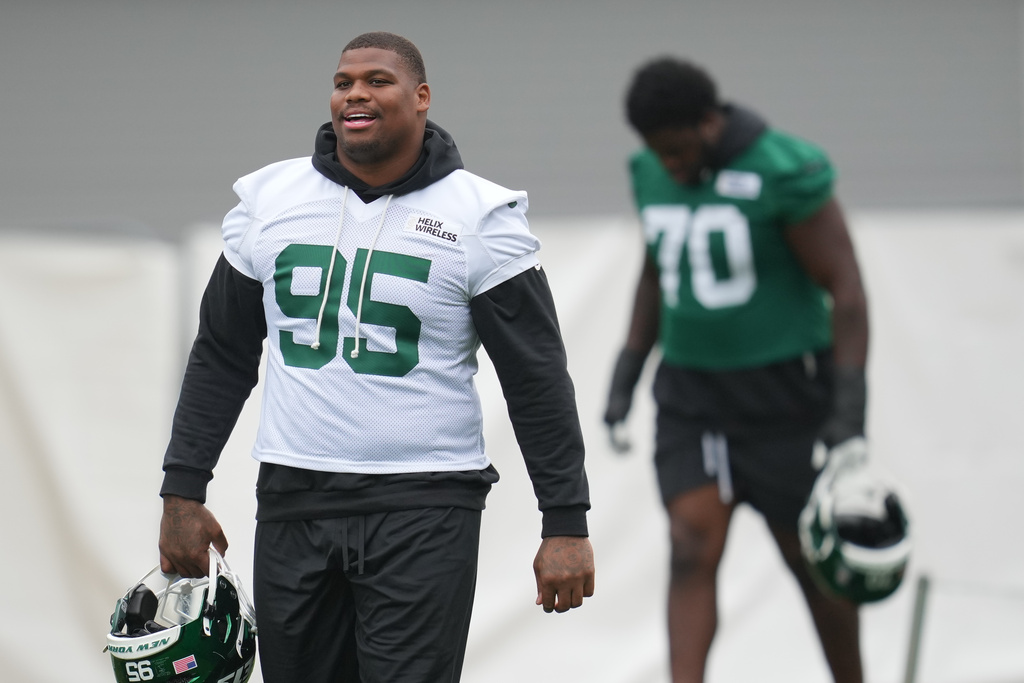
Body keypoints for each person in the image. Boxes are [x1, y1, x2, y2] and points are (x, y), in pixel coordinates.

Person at [158, 31, 595, 683]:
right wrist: (182, 489)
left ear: (421, 98)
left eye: (377, 80)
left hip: (425, 504)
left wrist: (565, 520)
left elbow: (535, 380)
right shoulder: (270, 202)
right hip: (293, 496)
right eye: (343, 82)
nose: (355, 92)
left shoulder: (480, 216)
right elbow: (222, 353)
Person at [604, 57, 869, 683]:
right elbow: (655, 270)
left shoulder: (783, 168)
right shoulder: (648, 169)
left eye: (676, 149)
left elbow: (847, 289)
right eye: (656, 152)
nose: (668, 164)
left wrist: (850, 410)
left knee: (811, 562)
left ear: (708, 122)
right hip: (692, 393)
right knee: (691, 547)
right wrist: (628, 369)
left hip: (784, 395)